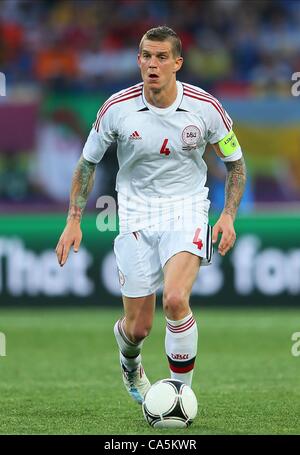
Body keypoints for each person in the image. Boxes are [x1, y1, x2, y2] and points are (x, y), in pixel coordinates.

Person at [55, 26, 246, 405]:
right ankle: (131, 365)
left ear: (178, 63)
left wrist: (228, 216)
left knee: (175, 300)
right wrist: (73, 220)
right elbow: (86, 164)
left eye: (161, 57)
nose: (152, 64)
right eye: (145, 56)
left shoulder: (205, 107)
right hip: (136, 214)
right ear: (138, 60)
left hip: (188, 208)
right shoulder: (117, 109)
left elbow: (236, 166)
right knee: (138, 328)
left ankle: (180, 396)